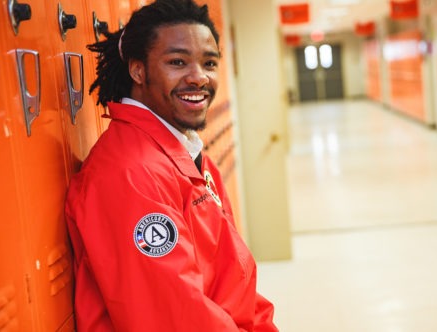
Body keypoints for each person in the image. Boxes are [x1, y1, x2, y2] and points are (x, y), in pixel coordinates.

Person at [64, 0, 278, 330]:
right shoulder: (130, 175)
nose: (198, 78)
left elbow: (236, 283)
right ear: (138, 70)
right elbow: (175, 318)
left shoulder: (186, 155)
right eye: (177, 62)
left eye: (209, 63)